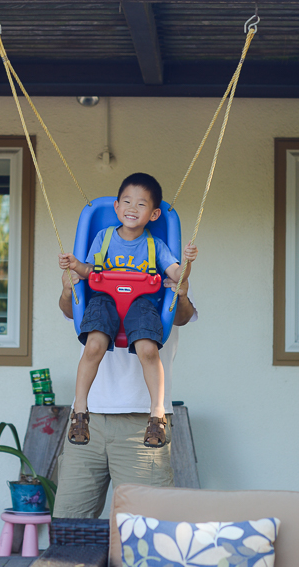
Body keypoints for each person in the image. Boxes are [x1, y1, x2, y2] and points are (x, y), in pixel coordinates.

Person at [59, 173, 197, 448]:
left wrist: (188, 263)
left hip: (141, 304)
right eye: (127, 202)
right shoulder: (103, 237)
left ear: (155, 214)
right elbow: (89, 271)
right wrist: (74, 265)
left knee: (148, 349)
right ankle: (81, 411)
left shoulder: (155, 246)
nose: (133, 208)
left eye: (141, 204)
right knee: (94, 345)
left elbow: (177, 275)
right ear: (116, 207)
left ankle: (156, 414)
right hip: (104, 301)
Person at [53, 266, 197, 519]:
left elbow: (182, 316)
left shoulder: (167, 266)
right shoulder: (97, 265)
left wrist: (182, 296)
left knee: (147, 525)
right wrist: (67, 289)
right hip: (87, 419)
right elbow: (70, 310)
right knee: (70, 520)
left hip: (144, 421)